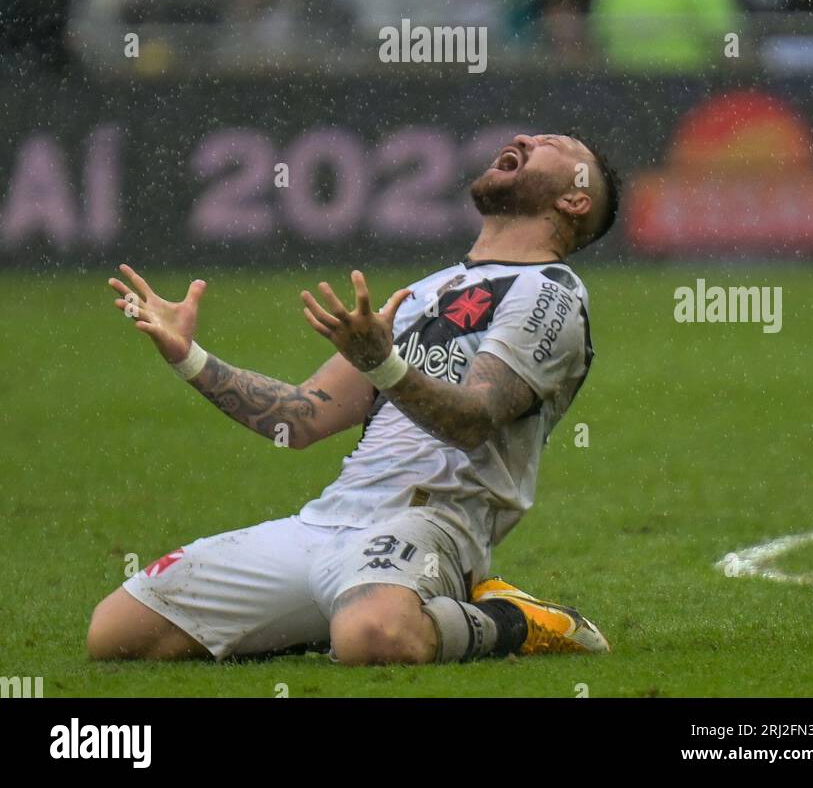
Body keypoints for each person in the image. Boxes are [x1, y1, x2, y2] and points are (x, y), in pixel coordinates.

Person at [87, 132, 620, 666]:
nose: (525, 137)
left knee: (375, 639)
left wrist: (383, 364)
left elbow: (474, 420)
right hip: (325, 523)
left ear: (574, 199)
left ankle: (520, 621)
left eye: (554, 143)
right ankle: (333, 614)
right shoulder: (431, 288)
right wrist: (190, 357)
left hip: (432, 524)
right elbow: (301, 417)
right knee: (117, 635)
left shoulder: (550, 291)